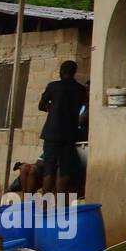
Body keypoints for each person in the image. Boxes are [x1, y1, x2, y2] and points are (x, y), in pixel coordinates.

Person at [37, 60, 87, 194]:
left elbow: (41, 105)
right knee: (64, 169)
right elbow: (82, 108)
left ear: (61, 71)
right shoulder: (81, 90)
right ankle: (59, 206)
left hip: (52, 133)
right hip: (69, 135)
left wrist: (51, 108)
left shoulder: (53, 87)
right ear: (74, 73)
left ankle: (45, 204)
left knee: (49, 168)